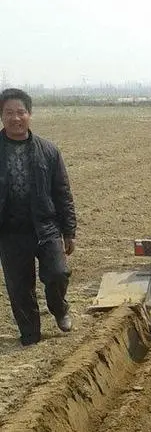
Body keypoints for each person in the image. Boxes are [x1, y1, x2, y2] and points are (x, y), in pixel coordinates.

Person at [0, 88, 77, 346]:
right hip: (10, 232)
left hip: (46, 228)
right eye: (9, 112)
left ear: (29, 114)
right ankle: (31, 333)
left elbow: (62, 192)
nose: (15, 118)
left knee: (58, 274)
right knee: (19, 288)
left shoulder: (48, 151)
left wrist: (69, 232)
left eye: (20, 112)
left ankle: (60, 309)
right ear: (1, 116)